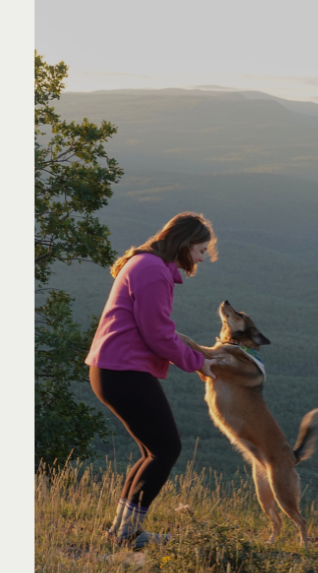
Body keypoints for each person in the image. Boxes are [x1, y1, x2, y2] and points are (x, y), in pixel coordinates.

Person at [86, 211, 223, 551]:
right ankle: (127, 535)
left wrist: (190, 351)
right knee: (166, 449)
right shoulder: (152, 272)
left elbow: (156, 328)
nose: (203, 257)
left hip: (113, 370)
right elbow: (158, 336)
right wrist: (199, 364)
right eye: (201, 249)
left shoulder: (147, 265)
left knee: (153, 450)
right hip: (122, 372)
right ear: (185, 244)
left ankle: (123, 532)